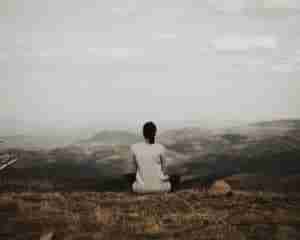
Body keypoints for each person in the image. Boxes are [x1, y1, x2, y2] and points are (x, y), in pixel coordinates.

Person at [124, 121, 180, 193]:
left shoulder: (134, 147)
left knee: (129, 175)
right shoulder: (160, 147)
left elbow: (133, 170)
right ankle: (172, 193)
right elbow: (164, 170)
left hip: (140, 189)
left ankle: (132, 191)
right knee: (176, 177)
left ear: (143, 133)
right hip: (161, 188)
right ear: (155, 133)